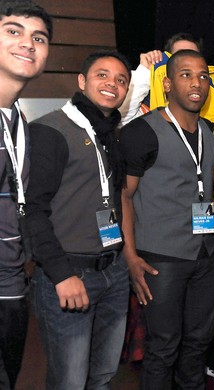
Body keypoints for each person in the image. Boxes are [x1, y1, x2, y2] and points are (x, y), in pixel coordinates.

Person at [25, 50, 130, 389]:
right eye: (102, 75)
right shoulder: (49, 130)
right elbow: (31, 211)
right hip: (70, 276)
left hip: (114, 272)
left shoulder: (108, 132)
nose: (112, 84)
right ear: (82, 81)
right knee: (69, 381)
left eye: (121, 79)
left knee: (103, 377)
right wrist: (61, 274)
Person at [119, 49, 214, 389]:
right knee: (163, 347)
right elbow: (124, 196)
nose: (196, 83)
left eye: (203, 76)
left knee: (198, 344)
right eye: (186, 74)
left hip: (205, 255)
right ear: (167, 83)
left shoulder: (209, 131)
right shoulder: (141, 132)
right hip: (161, 260)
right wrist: (131, 257)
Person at [0, 2, 51, 388]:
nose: (28, 44)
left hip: (13, 283)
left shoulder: (17, 119)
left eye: (39, 38)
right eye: (13, 32)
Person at [119, 32, 214, 126]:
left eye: (192, 56)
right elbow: (122, 119)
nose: (187, 62)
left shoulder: (212, 97)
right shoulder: (148, 98)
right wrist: (145, 71)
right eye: (180, 56)